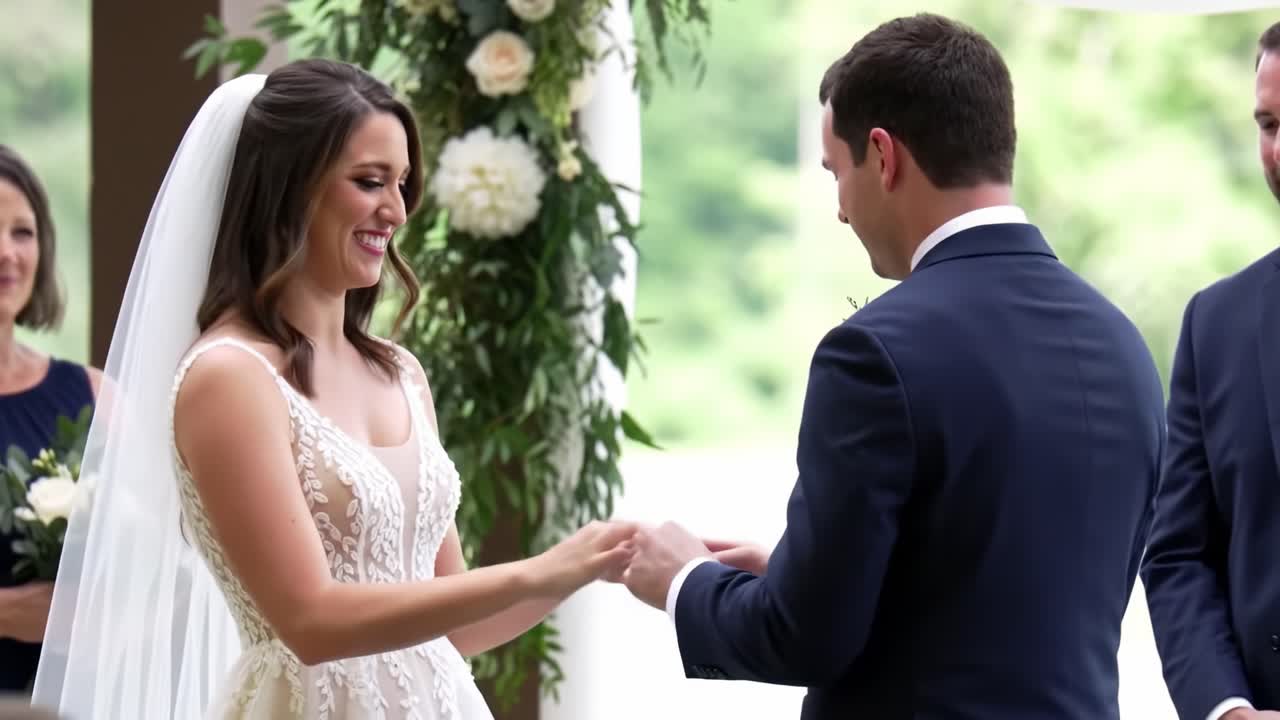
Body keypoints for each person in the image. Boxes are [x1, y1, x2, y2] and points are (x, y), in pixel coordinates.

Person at [31, 58, 634, 719]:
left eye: (402, 184)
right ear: (290, 190)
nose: (397, 211)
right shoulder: (229, 377)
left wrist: (582, 565)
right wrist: (533, 572)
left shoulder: (401, 373)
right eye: (370, 182)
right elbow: (309, 621)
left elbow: (458, 627)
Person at [619, 12, 1166, 719]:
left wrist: (683, 580)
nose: (841, 211)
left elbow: (803, 639)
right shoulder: (1124, 345)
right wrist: (792, 576)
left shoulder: (874, 353)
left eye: (835, 173)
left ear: (883, 155)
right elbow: (1002, 597)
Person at [1141, 21, 1280, 720]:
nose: (1279, 150)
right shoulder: (1215, 324)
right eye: (1269, 124)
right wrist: (1225, 710)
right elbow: (1177, 556)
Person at [0, 145, 101, 694]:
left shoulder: (91, 393)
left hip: (73, 695)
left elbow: (176, 543)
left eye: (22, 232)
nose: (7, 254)